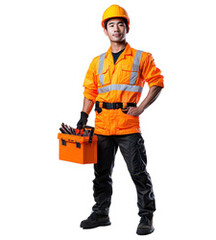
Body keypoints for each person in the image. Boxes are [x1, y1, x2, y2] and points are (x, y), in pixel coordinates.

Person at [76, 4, 164, 236]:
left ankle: (146, 216)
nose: (116, 29)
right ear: (105, 30)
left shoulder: (141, 58)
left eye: (120, 24)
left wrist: (141, 108)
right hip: (103, 127)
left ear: (127, 27)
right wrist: (83, 117)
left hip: (128, 127)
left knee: (138, 173)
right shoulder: (98, 61)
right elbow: (90, 91)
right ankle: (101, 213)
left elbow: (157, 83)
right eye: (111, 25)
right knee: (101, 174)